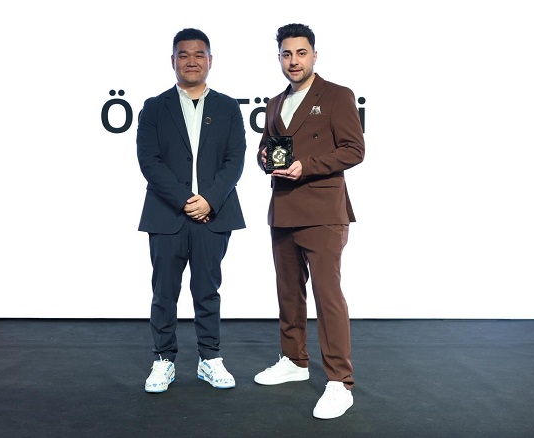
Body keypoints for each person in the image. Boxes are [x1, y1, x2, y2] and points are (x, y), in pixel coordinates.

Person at [254, 23, 365, 419]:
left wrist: (308, 166)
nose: (294, 61)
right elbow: (266, 148)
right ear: (279, 58)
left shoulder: (337, 95)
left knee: (327, 295)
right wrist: (263, 158)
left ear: (314, 55)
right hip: (283, 207)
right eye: (287, 54)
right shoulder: (273, 103)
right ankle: (294, 360)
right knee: (288, 292)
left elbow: (354, 149)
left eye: (301, 53)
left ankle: (340, 381)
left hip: (322, 211)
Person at [137, 28, 247, 393]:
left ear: (210, 60)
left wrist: (209, 200)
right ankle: (163, 359)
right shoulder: (155, 107)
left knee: (207, 289)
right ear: (173, 61)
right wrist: (185, 199)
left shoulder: (228, 107)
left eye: (199, 54)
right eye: (183, 55)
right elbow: (149, 160)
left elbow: (235, 160)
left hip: (213, 216)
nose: (192, 61)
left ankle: (209, 358)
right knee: (164, 291)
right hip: (166, 215)